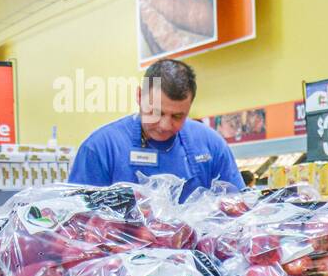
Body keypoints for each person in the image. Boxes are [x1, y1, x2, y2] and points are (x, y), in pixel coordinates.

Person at [69, 59, 243, 200]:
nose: (165, 126)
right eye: (156, 112)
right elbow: (79, 224)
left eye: (177, 116)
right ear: (139, 96)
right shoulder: (100, 148)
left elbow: (237, 208)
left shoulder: (211, 144)